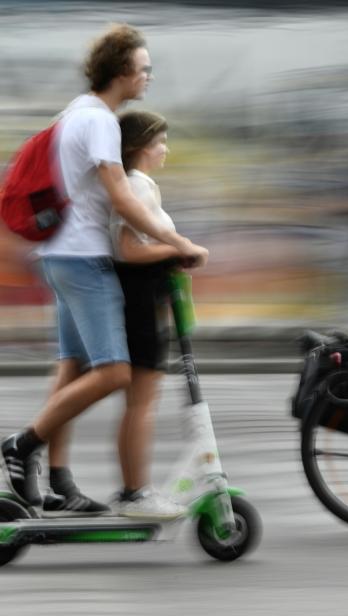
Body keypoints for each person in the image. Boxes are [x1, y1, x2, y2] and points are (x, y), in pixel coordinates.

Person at [0, 24, 208, 513]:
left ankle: (58, 483)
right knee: (114, 373)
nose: (148, 77)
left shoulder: (77, 112)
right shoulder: (100, 122)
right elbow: (120, 197)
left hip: (59, 255)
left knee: (72, 369)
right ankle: (22, 445)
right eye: (144, 68)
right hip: (82, 259)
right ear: (121, 71)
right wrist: (177, 241)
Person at [110, 110, 202, 517]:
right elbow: (128, 250)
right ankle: (135, 493)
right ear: (142, 147)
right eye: (160, 142)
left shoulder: (134, 185)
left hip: (143, 298)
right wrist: (178, 250)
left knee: (139, 402)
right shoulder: (137, 186)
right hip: (142, 300)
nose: (165, 149)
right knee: (142, 402)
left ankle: (134, 490)